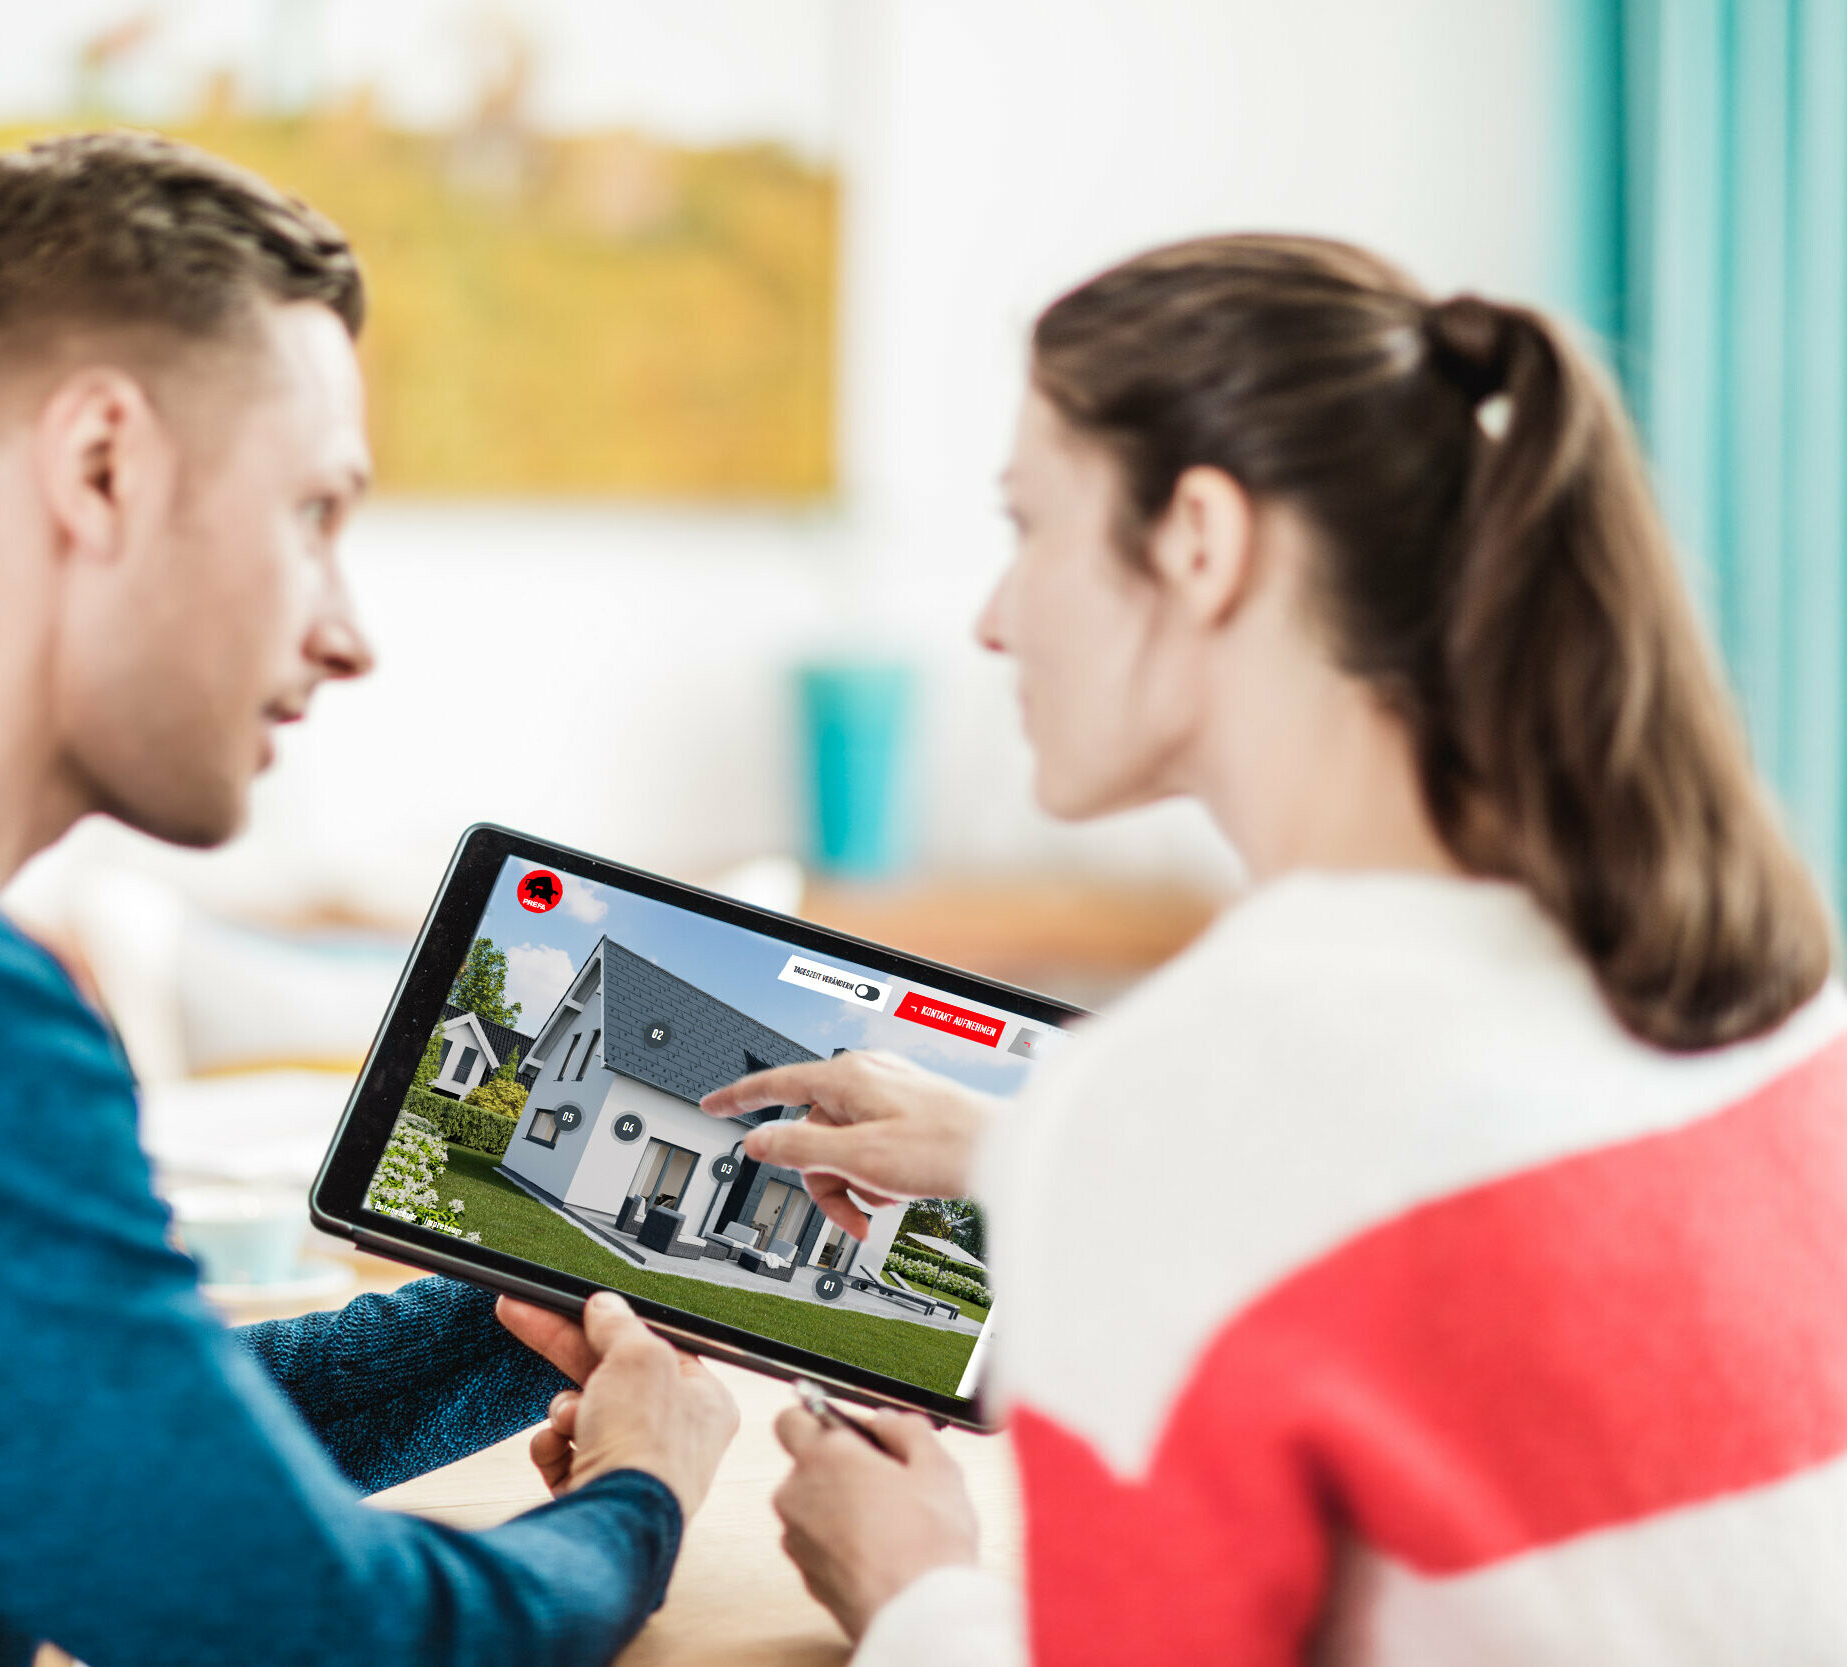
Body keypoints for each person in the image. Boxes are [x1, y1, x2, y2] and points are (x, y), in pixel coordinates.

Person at [0, 132, 735, 1666]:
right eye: (312, 516)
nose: (348, 634)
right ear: (102, 467)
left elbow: (106, 1448)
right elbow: (325, 1638)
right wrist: (642, 1495)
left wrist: (513, 1316)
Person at [704, 235, 1847, 1665]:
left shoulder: (1196, 1095)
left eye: (1025, 527)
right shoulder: (1759, 983)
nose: (993, 621)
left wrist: (915, 1592)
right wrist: (1014, 1141)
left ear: (1198, 538)